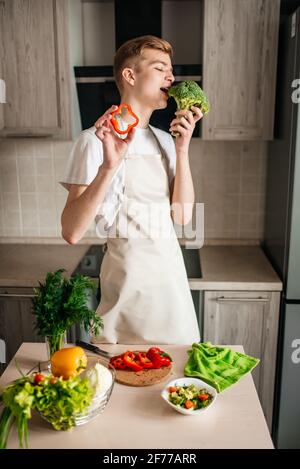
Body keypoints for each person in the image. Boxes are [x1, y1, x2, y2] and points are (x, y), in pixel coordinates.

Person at [60, 35, 203, 344]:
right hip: (125, 286)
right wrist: (109, 166)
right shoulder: (93, 141)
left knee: (176, 382)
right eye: (160, 67)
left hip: (170, 285)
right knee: (123, 381)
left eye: (171, 69)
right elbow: (72, 231)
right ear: (130, 75)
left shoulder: (166, 141)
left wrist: (182, 150)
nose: (171, 76)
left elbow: (182, 216)